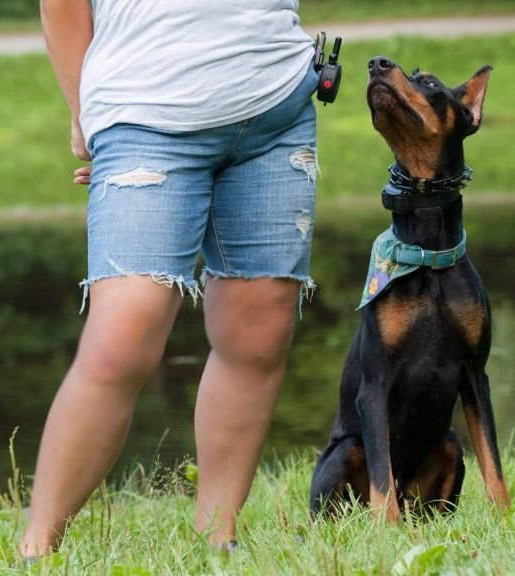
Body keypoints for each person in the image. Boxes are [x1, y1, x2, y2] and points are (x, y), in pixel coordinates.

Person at [19, 0, 319, 559]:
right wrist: (86, 113)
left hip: (276, 103)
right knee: (120, 341)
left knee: (260, 333)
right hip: (143, 112)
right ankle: (37, 551)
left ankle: (218, 540)